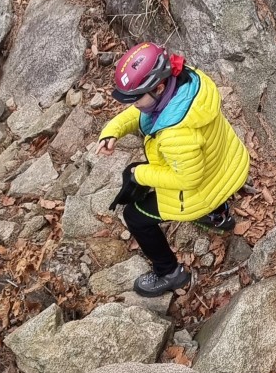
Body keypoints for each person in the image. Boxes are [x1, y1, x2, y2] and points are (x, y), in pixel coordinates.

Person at [98, 42, 250, 297]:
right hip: (225, 163)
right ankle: (218, 216)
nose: (133, 105)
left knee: (135, 217)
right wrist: (113, 129)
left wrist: (139, 174)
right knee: (158, 172)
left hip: (198, 186)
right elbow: (147, 114)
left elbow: (187, 178)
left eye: (136, 98)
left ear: (158, 87)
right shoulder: (187, 83)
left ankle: (169, 272)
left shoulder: (174, 133)